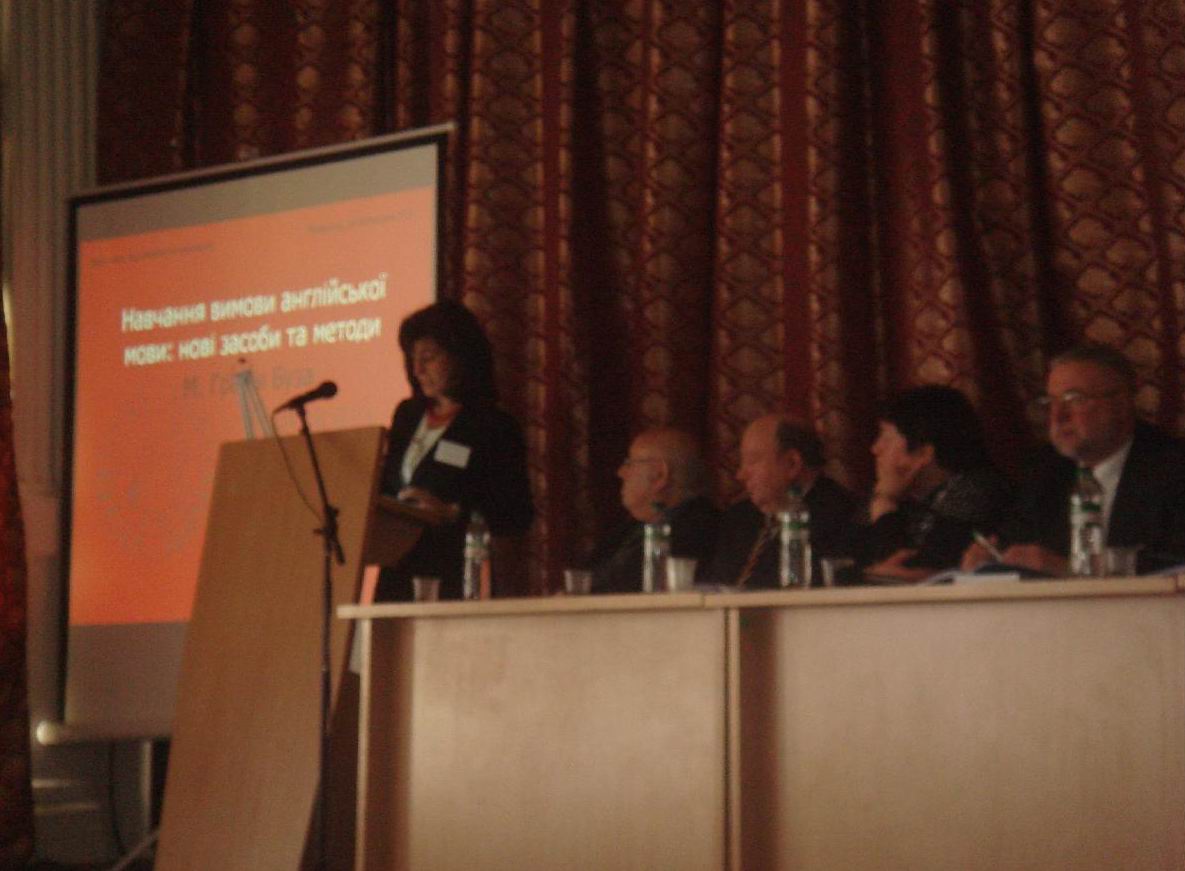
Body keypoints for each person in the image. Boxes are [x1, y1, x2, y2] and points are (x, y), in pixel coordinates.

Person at [961, 343, 1185, 575]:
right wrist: (990, 559)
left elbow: (1175, 562)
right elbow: (1011, 544)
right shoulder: (1046, 470)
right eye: (1051, 402)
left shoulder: (1173, 468)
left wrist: (1072, 570)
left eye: (1075, 399)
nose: (1058, 416)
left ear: (1121, 403)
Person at [375, 299, 534, 600]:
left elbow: (516, 515)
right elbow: (388, 486)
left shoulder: (493, 425)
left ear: (461, 357)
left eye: (429, 357)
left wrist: (452, 512)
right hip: (397, 572)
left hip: (456, 573)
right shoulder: (407, 415)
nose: (418, 369)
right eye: (412, 358)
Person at [855, 385, 1014, 582]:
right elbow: (845, 563)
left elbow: (908, 573)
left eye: (886, 438)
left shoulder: (976, 491)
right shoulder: (893, 491)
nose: (875, 449)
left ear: (923, 453)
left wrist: (885, 507)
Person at [705, 413, 858, 588]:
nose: (741, 475)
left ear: (792, 464)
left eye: (752, 461)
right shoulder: (738, 518)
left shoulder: (840, 516)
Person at [585, 428, 720, 594]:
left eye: (629, 464)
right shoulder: (628, 528)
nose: (621, 473)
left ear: (659, 475)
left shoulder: (697, 529)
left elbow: (629, 584)